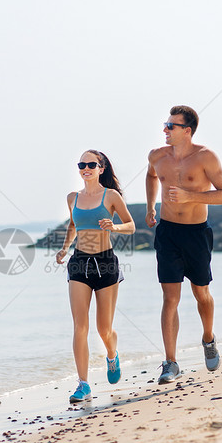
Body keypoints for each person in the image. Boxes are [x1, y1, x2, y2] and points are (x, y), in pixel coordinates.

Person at [145, 105, 222, 384]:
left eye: (171, 126)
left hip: (196, 233)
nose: (165, 130)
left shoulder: (206, 157)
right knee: (170, 298)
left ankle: (208, 338)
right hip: (167, 232)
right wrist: (150, 208)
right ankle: (170, 363)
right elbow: (150, 176)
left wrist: (189, 197)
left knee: (201, 293)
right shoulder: (157, 156)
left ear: (187, 130)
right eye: (166, 125)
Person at [56, 150, 136, 403]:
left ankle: (112, 355)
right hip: (79, 263)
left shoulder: (111, 196)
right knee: (80, 326)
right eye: (82, 164)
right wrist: (65, 247)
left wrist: (115, 227)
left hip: (106, 264)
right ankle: (83, 384)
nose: (85, 167)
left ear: (101, 168)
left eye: (91, 164)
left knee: (104, 329)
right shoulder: (73, 198)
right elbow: (72, 225)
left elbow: (131, 225)